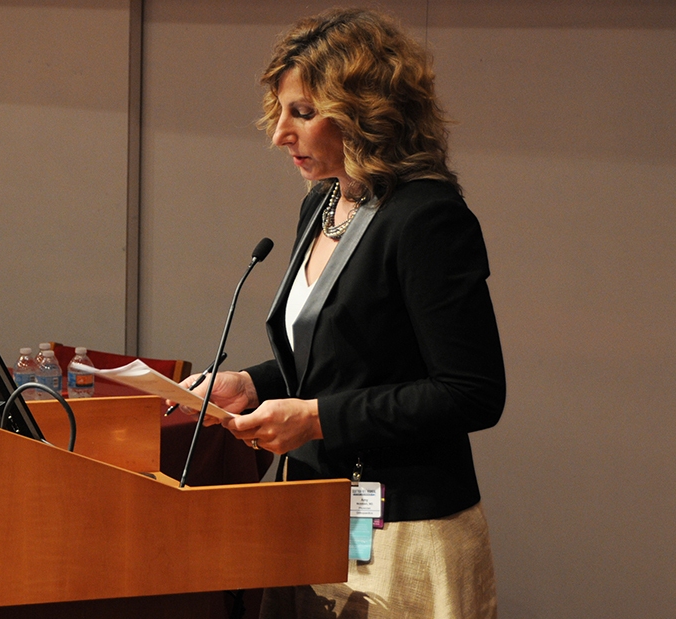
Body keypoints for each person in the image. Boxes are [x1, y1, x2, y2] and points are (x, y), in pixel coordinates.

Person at [176, 8, 505, 619]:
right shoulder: (323, 203)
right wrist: (251, 383)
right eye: (280, 111)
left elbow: (472, 393)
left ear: (367, 112)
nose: (278, 134)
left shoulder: (428, 220)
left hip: (404, 523)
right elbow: (340, 355)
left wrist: (318, 418)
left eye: (302, 113)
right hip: (311, 509)